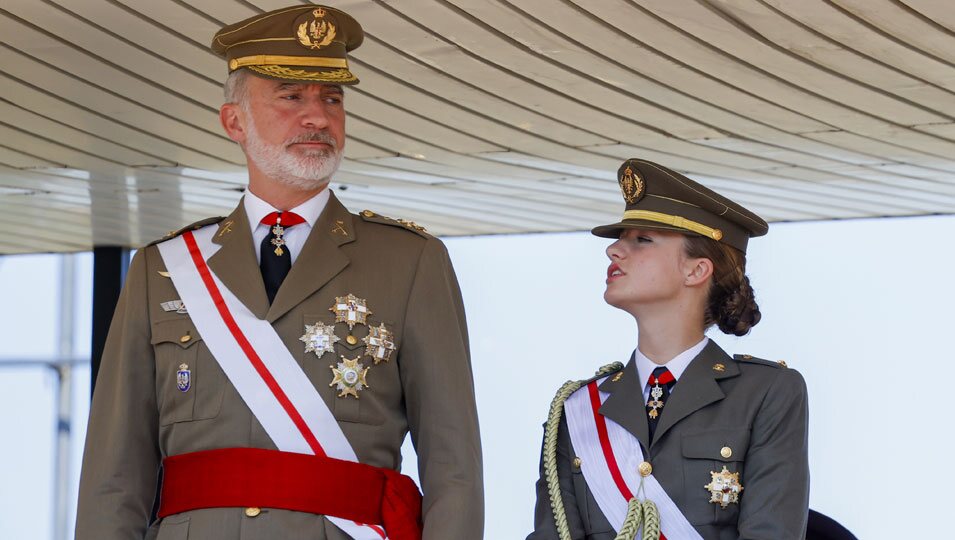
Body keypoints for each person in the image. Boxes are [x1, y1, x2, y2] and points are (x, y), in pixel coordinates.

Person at [74, 5, 483, 540]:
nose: (318, 117)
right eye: (291, 97)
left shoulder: (411, 262)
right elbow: (114, 475)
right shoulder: (164, 270)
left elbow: (453, 466)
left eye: (331, 99)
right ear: (234, 121)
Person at [527, 159, 809, 540]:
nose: (613, 250)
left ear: (696, 271)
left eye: (642, 239)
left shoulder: (767, 392)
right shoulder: (578, 408)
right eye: (621, 238)